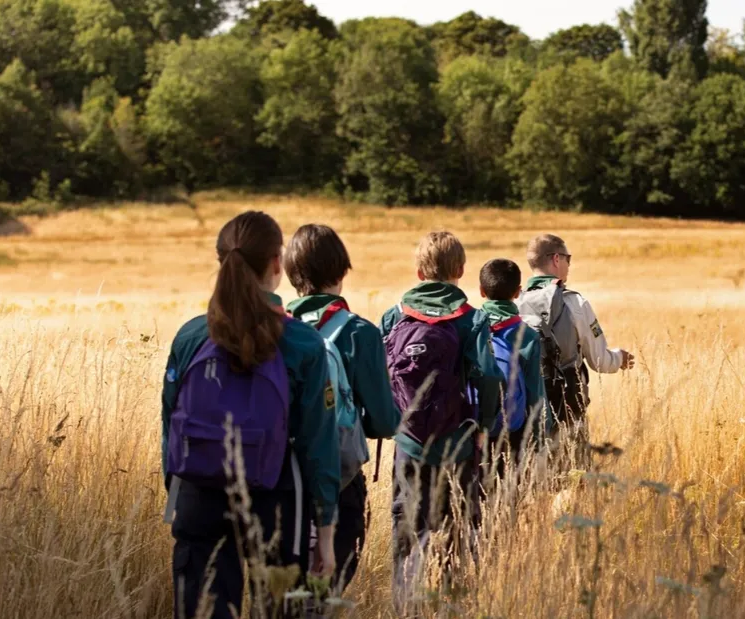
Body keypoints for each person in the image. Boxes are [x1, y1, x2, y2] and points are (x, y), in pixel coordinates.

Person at [161, 211, 339, 619]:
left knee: (202, 610)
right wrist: (325, 532)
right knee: (277, 610)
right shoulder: (302, 342)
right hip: (275, 494)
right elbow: (319, 443)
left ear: (221, 262)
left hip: (198, 490)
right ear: (277, 264)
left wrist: (177, 492)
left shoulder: (190, 336)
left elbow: (169, 423)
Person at [380, 231, 503, 588]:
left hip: (409, 443)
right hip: (458, 444)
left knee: (407, 529)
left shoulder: (394, 317)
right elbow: (489, 377)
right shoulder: (471, 319)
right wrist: (484, 426)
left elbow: (378, 374)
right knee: (459, 528)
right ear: (461, 270)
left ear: (419, 272)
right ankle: (453, 598)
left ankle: (406, 603)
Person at [283, 223, 401, 593]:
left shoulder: (270, 329)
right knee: (325, 592)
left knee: (280, 595)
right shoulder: (358, 333)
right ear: (341, 271)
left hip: (275, 478)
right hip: (339, 478)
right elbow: (384, 422)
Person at [517, 234, 635, 455]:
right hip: (568, 403)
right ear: (556, 259)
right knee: (574, 474)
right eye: (567, 258)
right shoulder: (575, 302)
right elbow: (600, 361)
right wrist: (619, 358)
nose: (569, 264)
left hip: (525, 406)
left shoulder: (516, 302)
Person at [477, 258, 552, 470]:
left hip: (472, 432)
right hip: (513, 433)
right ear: (518, 292)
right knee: (511, 497)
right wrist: (540, 436)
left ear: (482, 291)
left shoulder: (470, 328)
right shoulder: (526, 336)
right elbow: (535, 392)